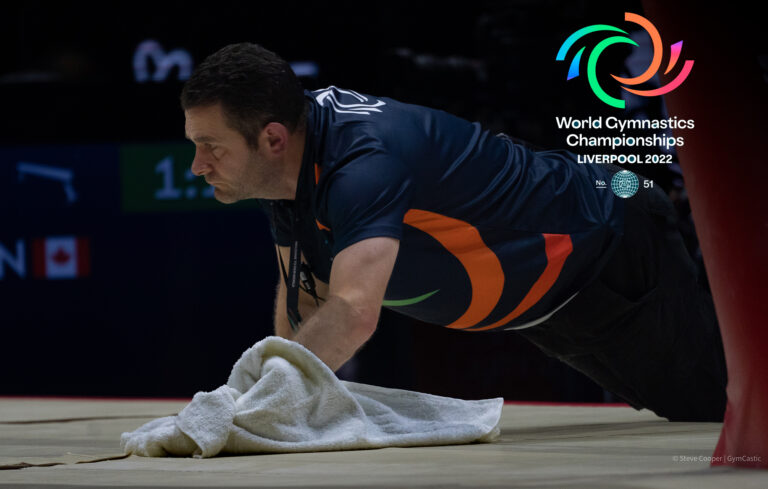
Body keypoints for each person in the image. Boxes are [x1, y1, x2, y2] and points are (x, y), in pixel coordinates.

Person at [181, 43, 727, 422]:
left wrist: (259, 408)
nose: (198, 165)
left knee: (721, 407)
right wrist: (271, 402)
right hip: (551, 299)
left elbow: (350, 311)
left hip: (611, 238)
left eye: (212, 146)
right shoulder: (288, 169)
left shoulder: (365, 163)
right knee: (695, 406)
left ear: (272, 138)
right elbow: (304, 302)